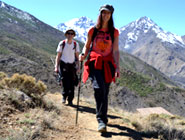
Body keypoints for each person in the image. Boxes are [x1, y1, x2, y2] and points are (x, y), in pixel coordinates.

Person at [79, 4, 120, 133]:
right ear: (100, 14)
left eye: (108, 13)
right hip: (95, 63)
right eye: (103, 13)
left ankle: (102, 117)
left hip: (108, 65)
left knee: (105, 91)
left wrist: (117, 67)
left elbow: (116, 50)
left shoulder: (114, 32)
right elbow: (86, 46)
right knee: (98, 88)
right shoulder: (93, 30)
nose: (105, 15)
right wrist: (83, 54)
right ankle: (101, 120)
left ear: (111, 15)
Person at [55, 29, 80, 106]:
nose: (70, 35)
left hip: (72, 65)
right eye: (68, 33)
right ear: (66, 34)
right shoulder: (62, 43)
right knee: (64, 81)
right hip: (63, 64)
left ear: (73, 35)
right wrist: (56, 66)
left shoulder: (75, 44)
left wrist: (78, 67)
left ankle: (70, 100)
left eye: (72, 33)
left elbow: (77, 57)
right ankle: (64, 96)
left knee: (72, 82)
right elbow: (58, 56)